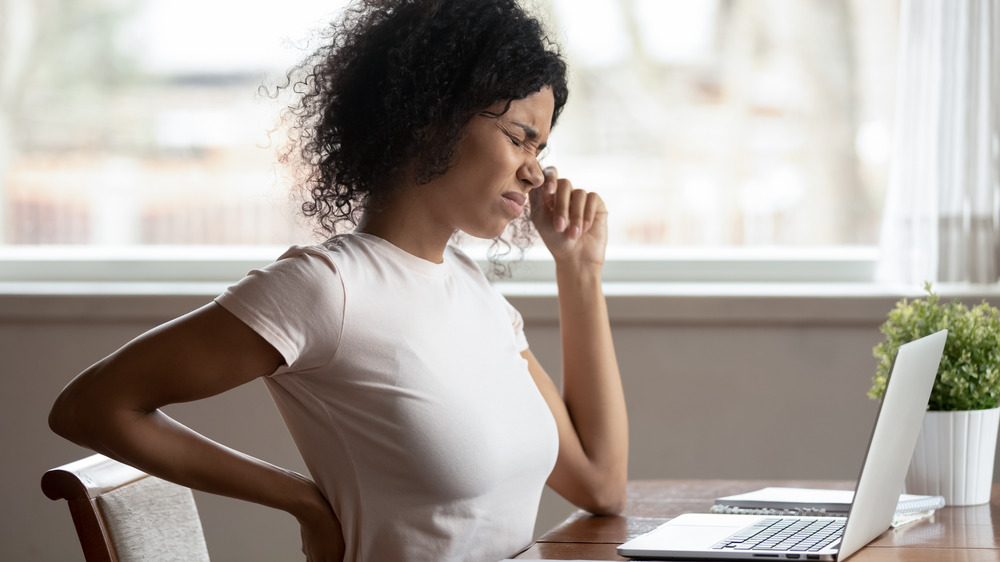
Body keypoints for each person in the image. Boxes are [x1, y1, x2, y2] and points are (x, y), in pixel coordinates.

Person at [48, 0, 628, 560]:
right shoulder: (327, 288)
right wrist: (303, 502)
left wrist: (579, 269)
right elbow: (90, 408)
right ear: (433, 117)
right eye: (519, 136)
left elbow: (600, 486)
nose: (535, 170)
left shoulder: (474, 292)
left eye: (542, 148)